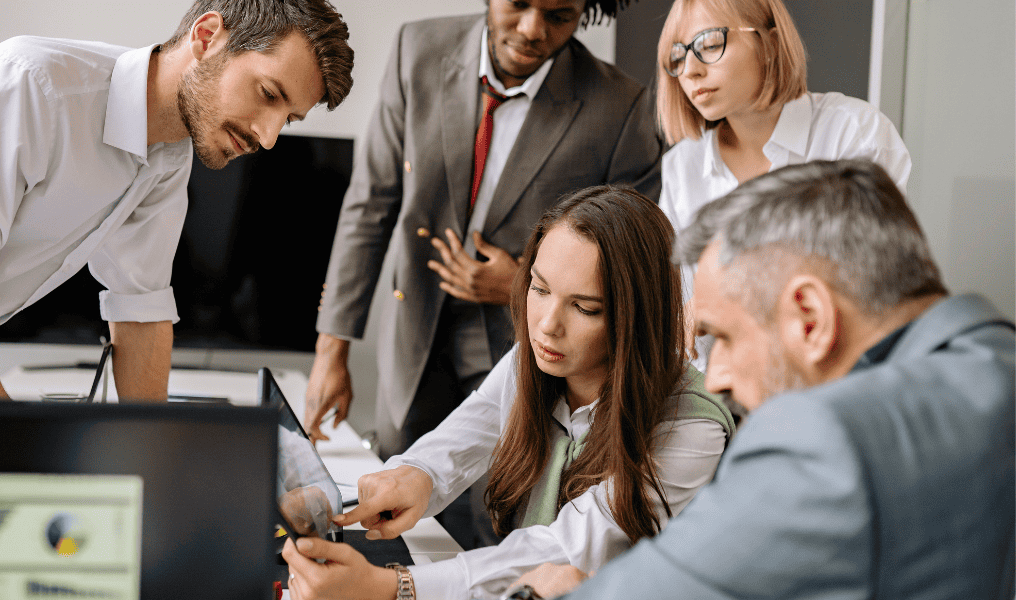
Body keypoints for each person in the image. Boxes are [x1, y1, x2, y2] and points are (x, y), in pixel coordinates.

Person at [509, 160, 1015, 600]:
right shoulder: (995, 361)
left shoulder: (824, 441)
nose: (718, 378)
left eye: (721, 337)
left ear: (810, 318)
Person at [0, 0, 353, 399]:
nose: (268, 137)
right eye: (268, 95)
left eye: (289, 118)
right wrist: (36, 478)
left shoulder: (168, 154)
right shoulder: (27, 88)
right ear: (208, 35)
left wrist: (150, 473)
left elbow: (140, 310)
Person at [282, 185, 734, 600]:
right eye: (539, 288)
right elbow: (465, 432)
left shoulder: (691, 426)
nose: (547, 324)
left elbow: (565, 549)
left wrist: (393, 586)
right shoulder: (540, 357)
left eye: (584, 307)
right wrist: (410, 476)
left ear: (638, 318)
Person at [304, 0, 663, 462]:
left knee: (493, 511)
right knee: (399, 487)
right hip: (413, 328)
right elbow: (370, 204)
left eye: (559, 16)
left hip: (526, 350)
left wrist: (520, 284)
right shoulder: (417, 51)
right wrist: (330, 351)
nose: (533, 29)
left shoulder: (623, 108)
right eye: (518, 4)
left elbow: (631, 261)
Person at [655, 0, 910, 372]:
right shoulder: (682, 166)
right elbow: (680, 312)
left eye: (709, 44)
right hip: (719, 399)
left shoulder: (856, 133)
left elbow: (864, 281)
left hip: (836, 380)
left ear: (769, 41)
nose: (690, 71)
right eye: (678, 57)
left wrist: (721, 300)